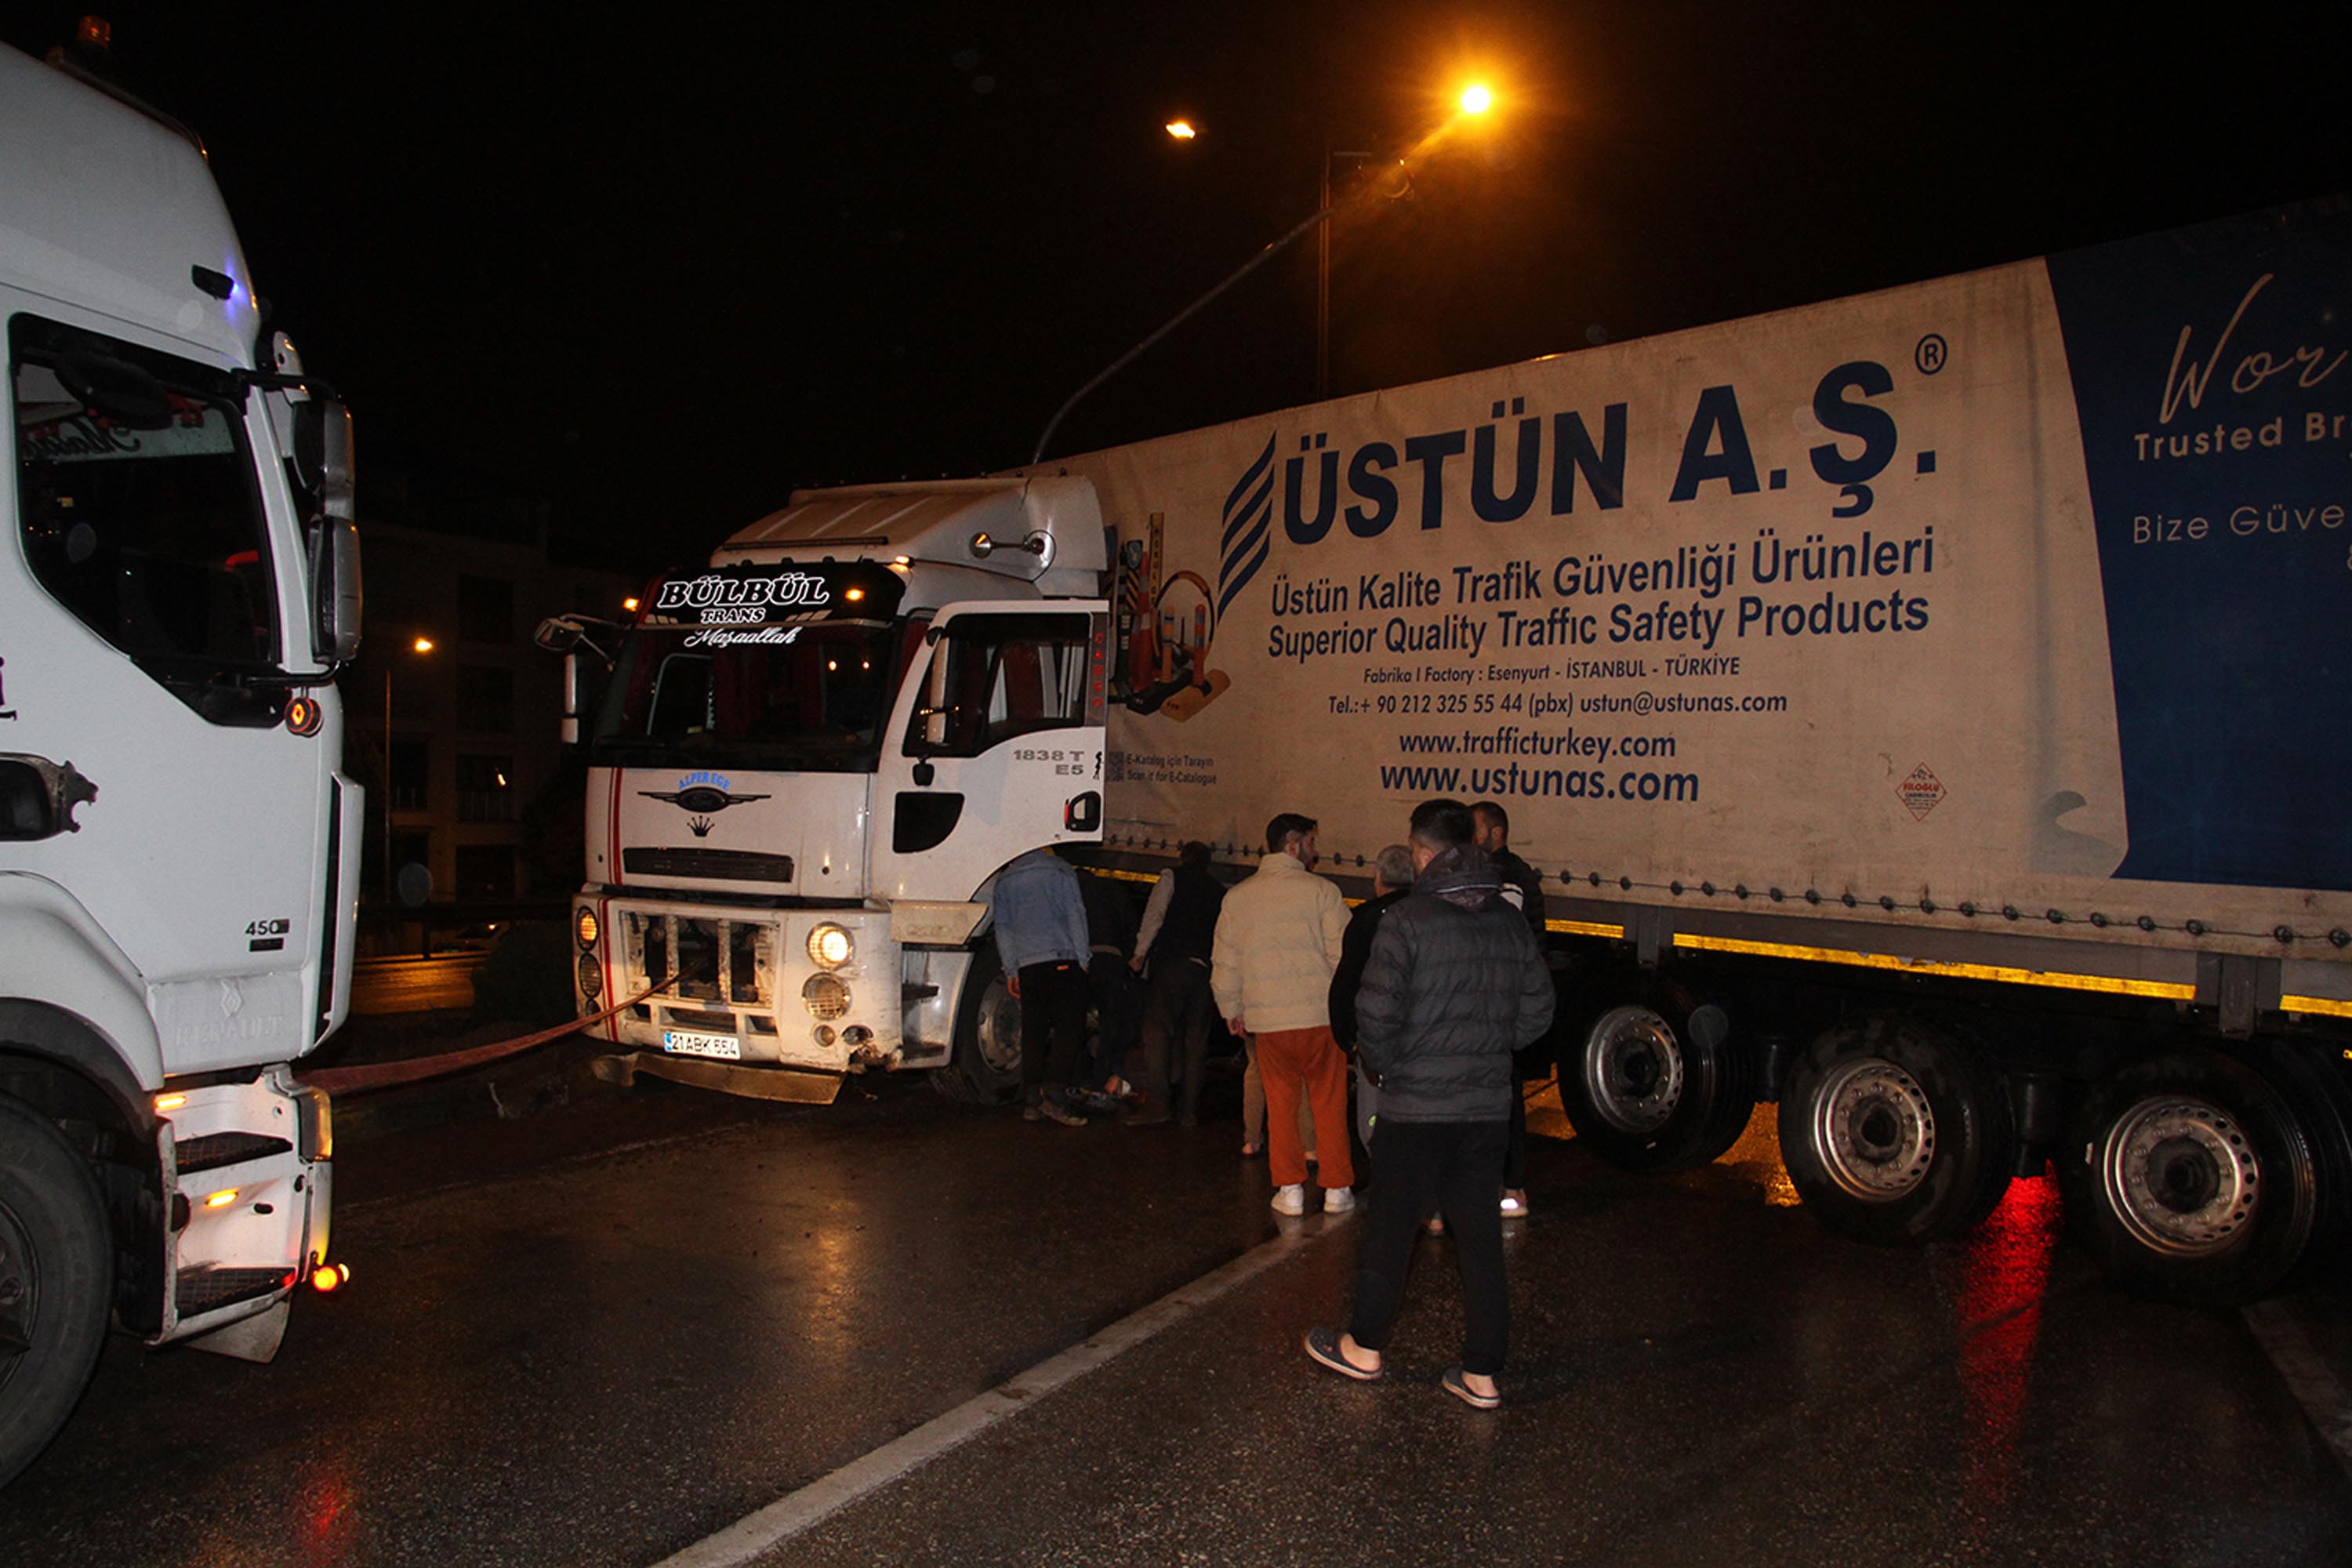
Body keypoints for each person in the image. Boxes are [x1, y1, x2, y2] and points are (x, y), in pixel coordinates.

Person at [1303, 798, 1553, 1410]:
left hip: (1415, 1108)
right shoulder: (1508, 920)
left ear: (1419, 851)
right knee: (1480, 1242)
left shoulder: (1406, 921)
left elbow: (1376, 1012)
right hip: (1485, 1110)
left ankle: (1364, 1347)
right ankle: (1482, 1375)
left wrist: (1386, 1068)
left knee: (1392, 1230)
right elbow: (1539, 1011)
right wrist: (1492, 1047)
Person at [1212, 813, 1355, 1214]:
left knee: (1280, 1104)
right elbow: (1342, 956)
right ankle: (1336, 1188)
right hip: (1319, 1019)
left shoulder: (1237, 898)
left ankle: (1290, 1189)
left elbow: (1226, 962)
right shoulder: (1323, 892)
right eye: (1312, 842)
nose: (1316, 850)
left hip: (1269, 1023)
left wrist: (1231, 1008)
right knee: (1328, 1103)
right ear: (1293, 846)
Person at [1474, 800, 1550, 1221]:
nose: (1471, 837)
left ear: (1496, 833)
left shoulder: (1506, 880)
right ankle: (1507, 1183)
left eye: (1476, 829)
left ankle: (1510, 1183)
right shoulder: (1513, 874)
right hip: (1508, 1002)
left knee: (1502, 1099)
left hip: (1502, 1004)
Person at [989, 847, 1094, 1126]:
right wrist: (1083, 958)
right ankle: (1056, 1096)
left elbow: (1004, 928)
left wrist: (1012, 970)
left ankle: (1032, 1101)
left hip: (1028, 967)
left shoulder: (1005, 879)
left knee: (1033, 1032)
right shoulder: (1060, 870)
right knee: (1068, 1030)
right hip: (1062, 959)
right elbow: (1075, 913)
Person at [1125, 840, 1225, 1127]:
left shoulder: (1171, 877)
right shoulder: (1218, 891)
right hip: (1204, 969)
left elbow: (1154, 915)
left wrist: (1139, 954)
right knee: (1195, 1040)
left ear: (1183, 858)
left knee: (1158, 1031)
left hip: (1173, 964)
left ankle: (1158, 1103)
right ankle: (1189, 1110)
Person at [1329, 842, 1416, 1150]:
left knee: (1374, 1114)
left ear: (1378, 878)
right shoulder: (1429, 916)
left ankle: (1384, 1172)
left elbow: (1347, 981)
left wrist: (1346, 1036)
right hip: (1420, 1037)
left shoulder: (1364, 919)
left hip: (1375, 1038)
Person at [1076, 866, 1142, 1107]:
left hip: (1080, 962)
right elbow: (1133, 926)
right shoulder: (1113, 890)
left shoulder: (1073, 890)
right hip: (1111, 961)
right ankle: (1099, 1086)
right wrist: (1126, 959)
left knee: (1074, 1023)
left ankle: (1072, 1082)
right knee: (1110, 1026)